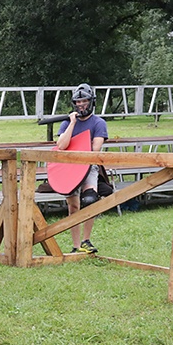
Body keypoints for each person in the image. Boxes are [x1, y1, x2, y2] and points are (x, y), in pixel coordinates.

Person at [57, 83, 108, 254]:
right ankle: (76, 244)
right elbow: (61, 145)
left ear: (91, 102)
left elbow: (95, 150)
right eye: (78, 102)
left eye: (84, 101)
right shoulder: (66, 123)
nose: (81, 105)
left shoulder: (98, 123)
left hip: (88, 166)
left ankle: (86, 240)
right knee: (73, 206)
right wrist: (72, 123)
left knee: (89, 201)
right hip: (70, 168)